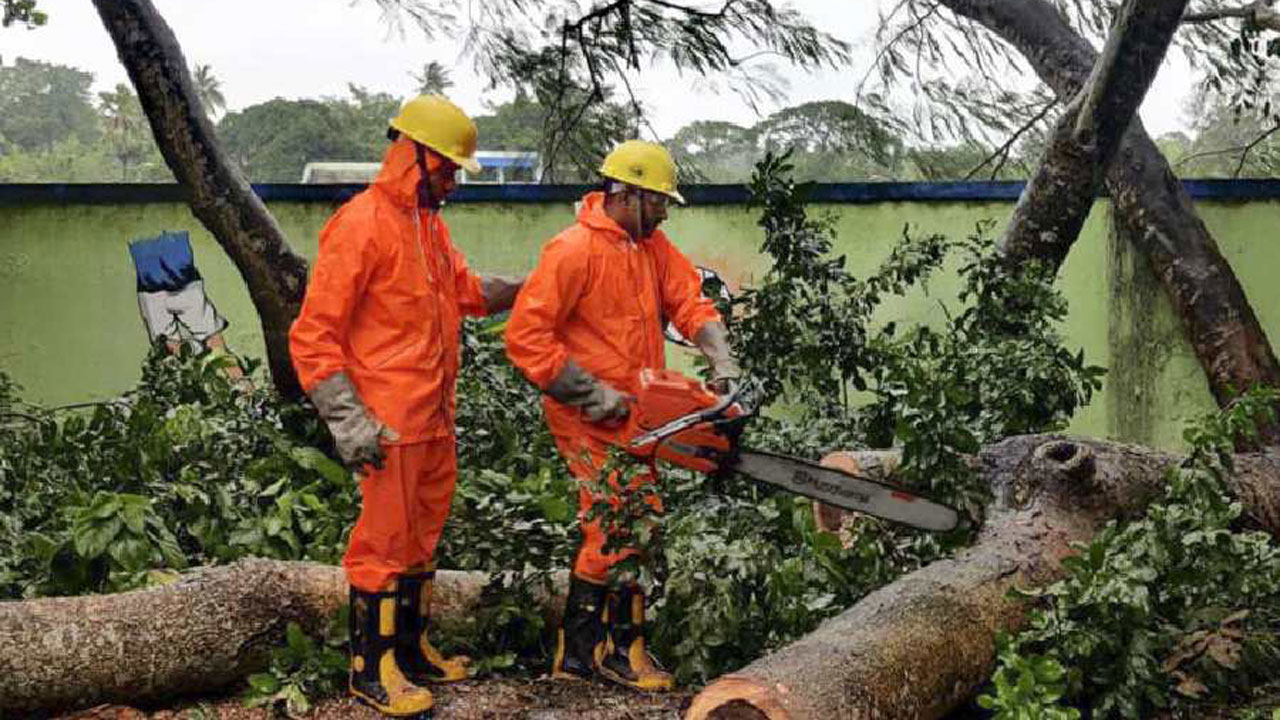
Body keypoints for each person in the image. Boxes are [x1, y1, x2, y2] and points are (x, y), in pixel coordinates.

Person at [289, 95, 523, 716]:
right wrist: (348, 421)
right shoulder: (361, 225)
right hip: (387, 422)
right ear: (414, 156)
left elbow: (468, 290)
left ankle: (411, 651)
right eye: (446, 170)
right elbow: (313, 335)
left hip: (433, 419)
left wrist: (532, 286)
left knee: (421, 541)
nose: (451, 184)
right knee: (382, 546)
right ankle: (370, 668)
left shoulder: (428, 227)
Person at [504, 139, 741, 691]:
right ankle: (587, 655)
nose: (664, 213)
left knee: (639, 518)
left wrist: (721, 358)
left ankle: (614, 649)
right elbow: (526, 337)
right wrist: (591, 394)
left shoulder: (650, 247)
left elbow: (689, 301)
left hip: (640, 410)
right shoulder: (573, 251)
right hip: (586, 413)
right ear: (626, 194)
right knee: (616, 522)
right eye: (658, 201)